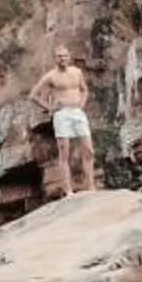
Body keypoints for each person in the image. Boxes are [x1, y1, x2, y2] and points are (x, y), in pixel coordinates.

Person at [30, 48, 99, 200]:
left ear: (69, 57)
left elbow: (84, 90)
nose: (62, 59)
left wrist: (82, 103)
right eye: (59, 56)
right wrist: (50, 108)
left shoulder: (76, 72)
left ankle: (91, 185)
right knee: (64, 152)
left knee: (89, 150)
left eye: (65, 56)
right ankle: (68, 191)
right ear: (55, 58)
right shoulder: (50, 76)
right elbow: (33, 96)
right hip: (62, 114)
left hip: (77, 111)